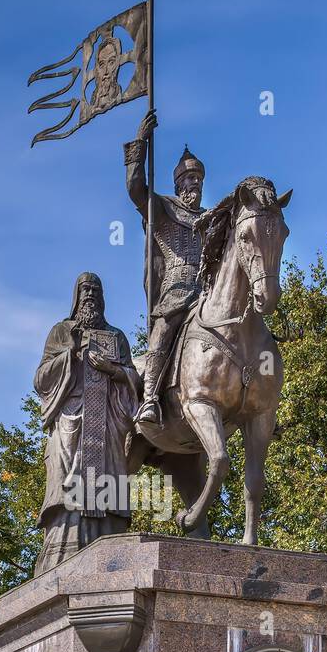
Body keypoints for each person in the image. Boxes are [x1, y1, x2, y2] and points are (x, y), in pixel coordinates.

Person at [34, 272, 141, 575]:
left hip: (108, 420)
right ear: (76, 297)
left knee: (109, 482)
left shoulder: (117, 337)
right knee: (71, 482)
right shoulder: (61, 331)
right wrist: (68, 355)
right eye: (85, 290)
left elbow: (134, 378)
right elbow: (40, 379)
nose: (91, 295)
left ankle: (110, 546)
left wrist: (113, 370)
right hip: (72, 418)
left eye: (96, 289)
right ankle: (62, 550)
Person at [123, 109, 207, 424]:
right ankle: (150, 400)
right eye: (188, 178)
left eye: (198, 177)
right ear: (178, 183)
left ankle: (255, 394)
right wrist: (141, 142)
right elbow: (135, 189)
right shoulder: (163, 208)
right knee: (163, 332)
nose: (194, 183)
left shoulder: (212, 218)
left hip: (209, 291)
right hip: (177, 289)